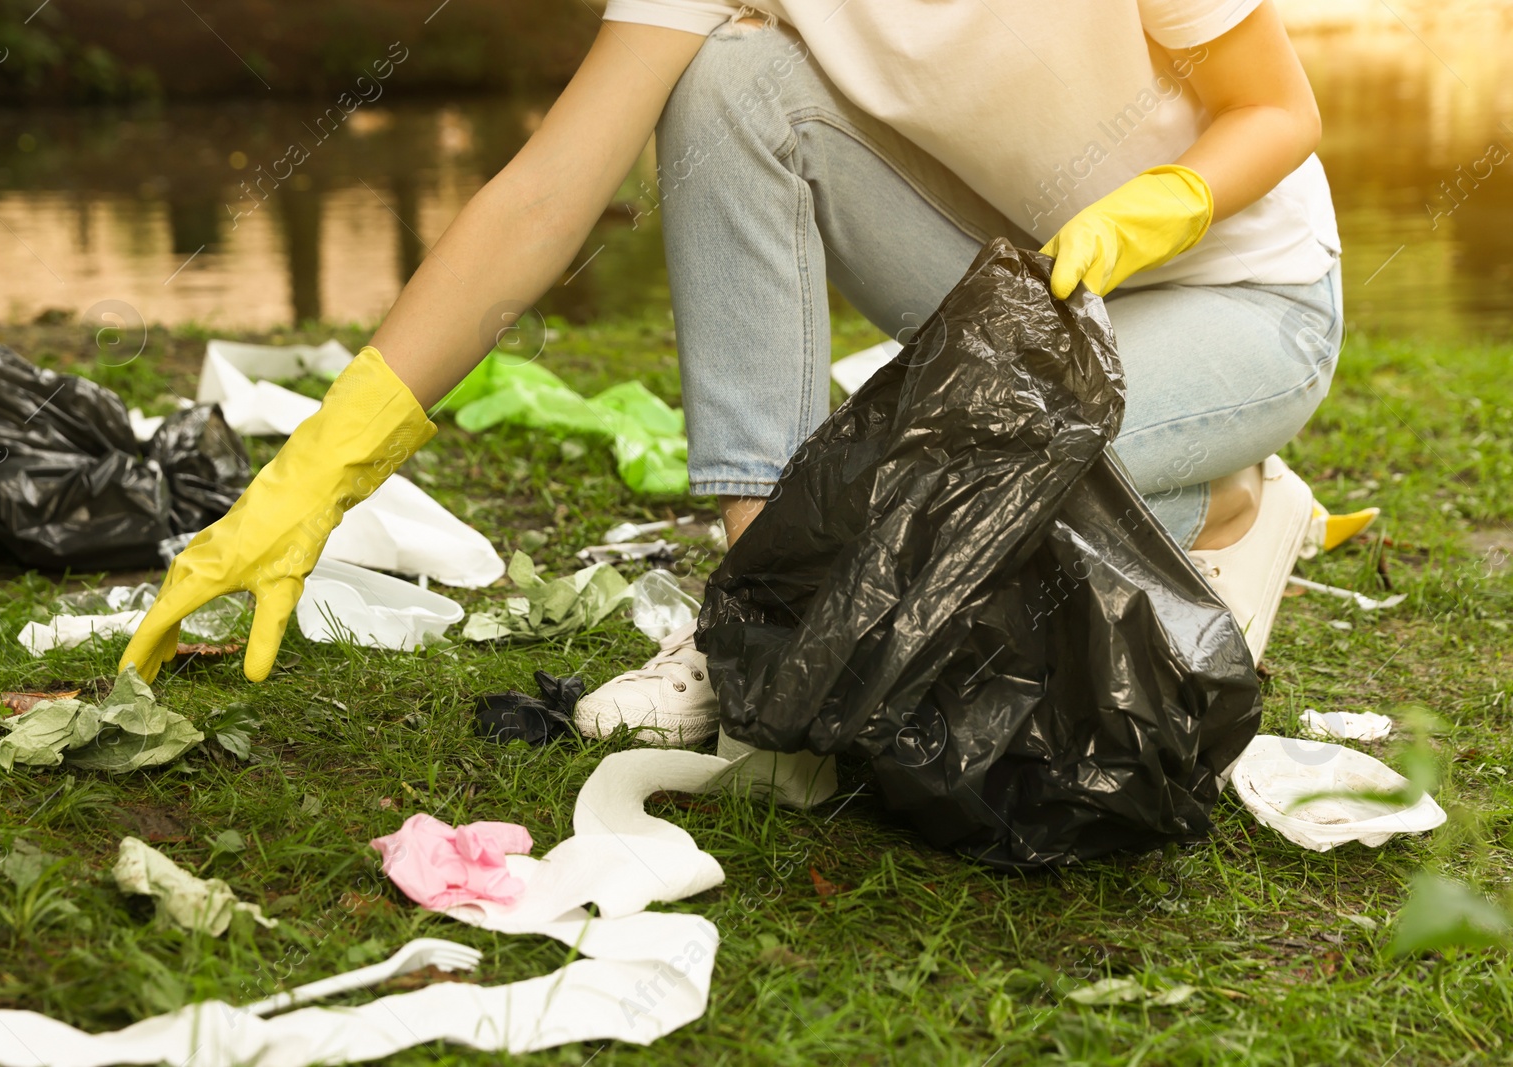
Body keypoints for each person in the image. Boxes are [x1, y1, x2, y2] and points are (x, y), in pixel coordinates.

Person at [121, 2, 1342, 761]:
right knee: (729, 77)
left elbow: (1275, 107)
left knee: (945, 515)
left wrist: (1160, 206)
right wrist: (316, 471)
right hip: (1011, 291)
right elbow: (549, 192)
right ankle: (762, 622)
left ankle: (1227, 499)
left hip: (1233, 295)